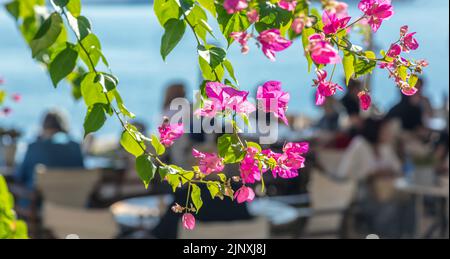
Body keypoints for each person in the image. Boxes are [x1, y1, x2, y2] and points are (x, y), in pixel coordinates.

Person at [333, 118, 415, 238]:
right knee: (393, 208)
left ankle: (407, 235)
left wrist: (383, 172)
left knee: (409, 202)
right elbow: (343, 173)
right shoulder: (359, 144)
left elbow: (398, 169)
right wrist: (371, 174)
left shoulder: (385, 147)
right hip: (363, 195)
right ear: (375, 130)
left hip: (385, 191)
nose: (389, 134)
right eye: (385, 130)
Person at [15, 110, 84, 189]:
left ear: (44, 126)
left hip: (38, 199)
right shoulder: (75, 147)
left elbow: (20, 177)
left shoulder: (34, 147)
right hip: (73, 197)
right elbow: (81, 172)